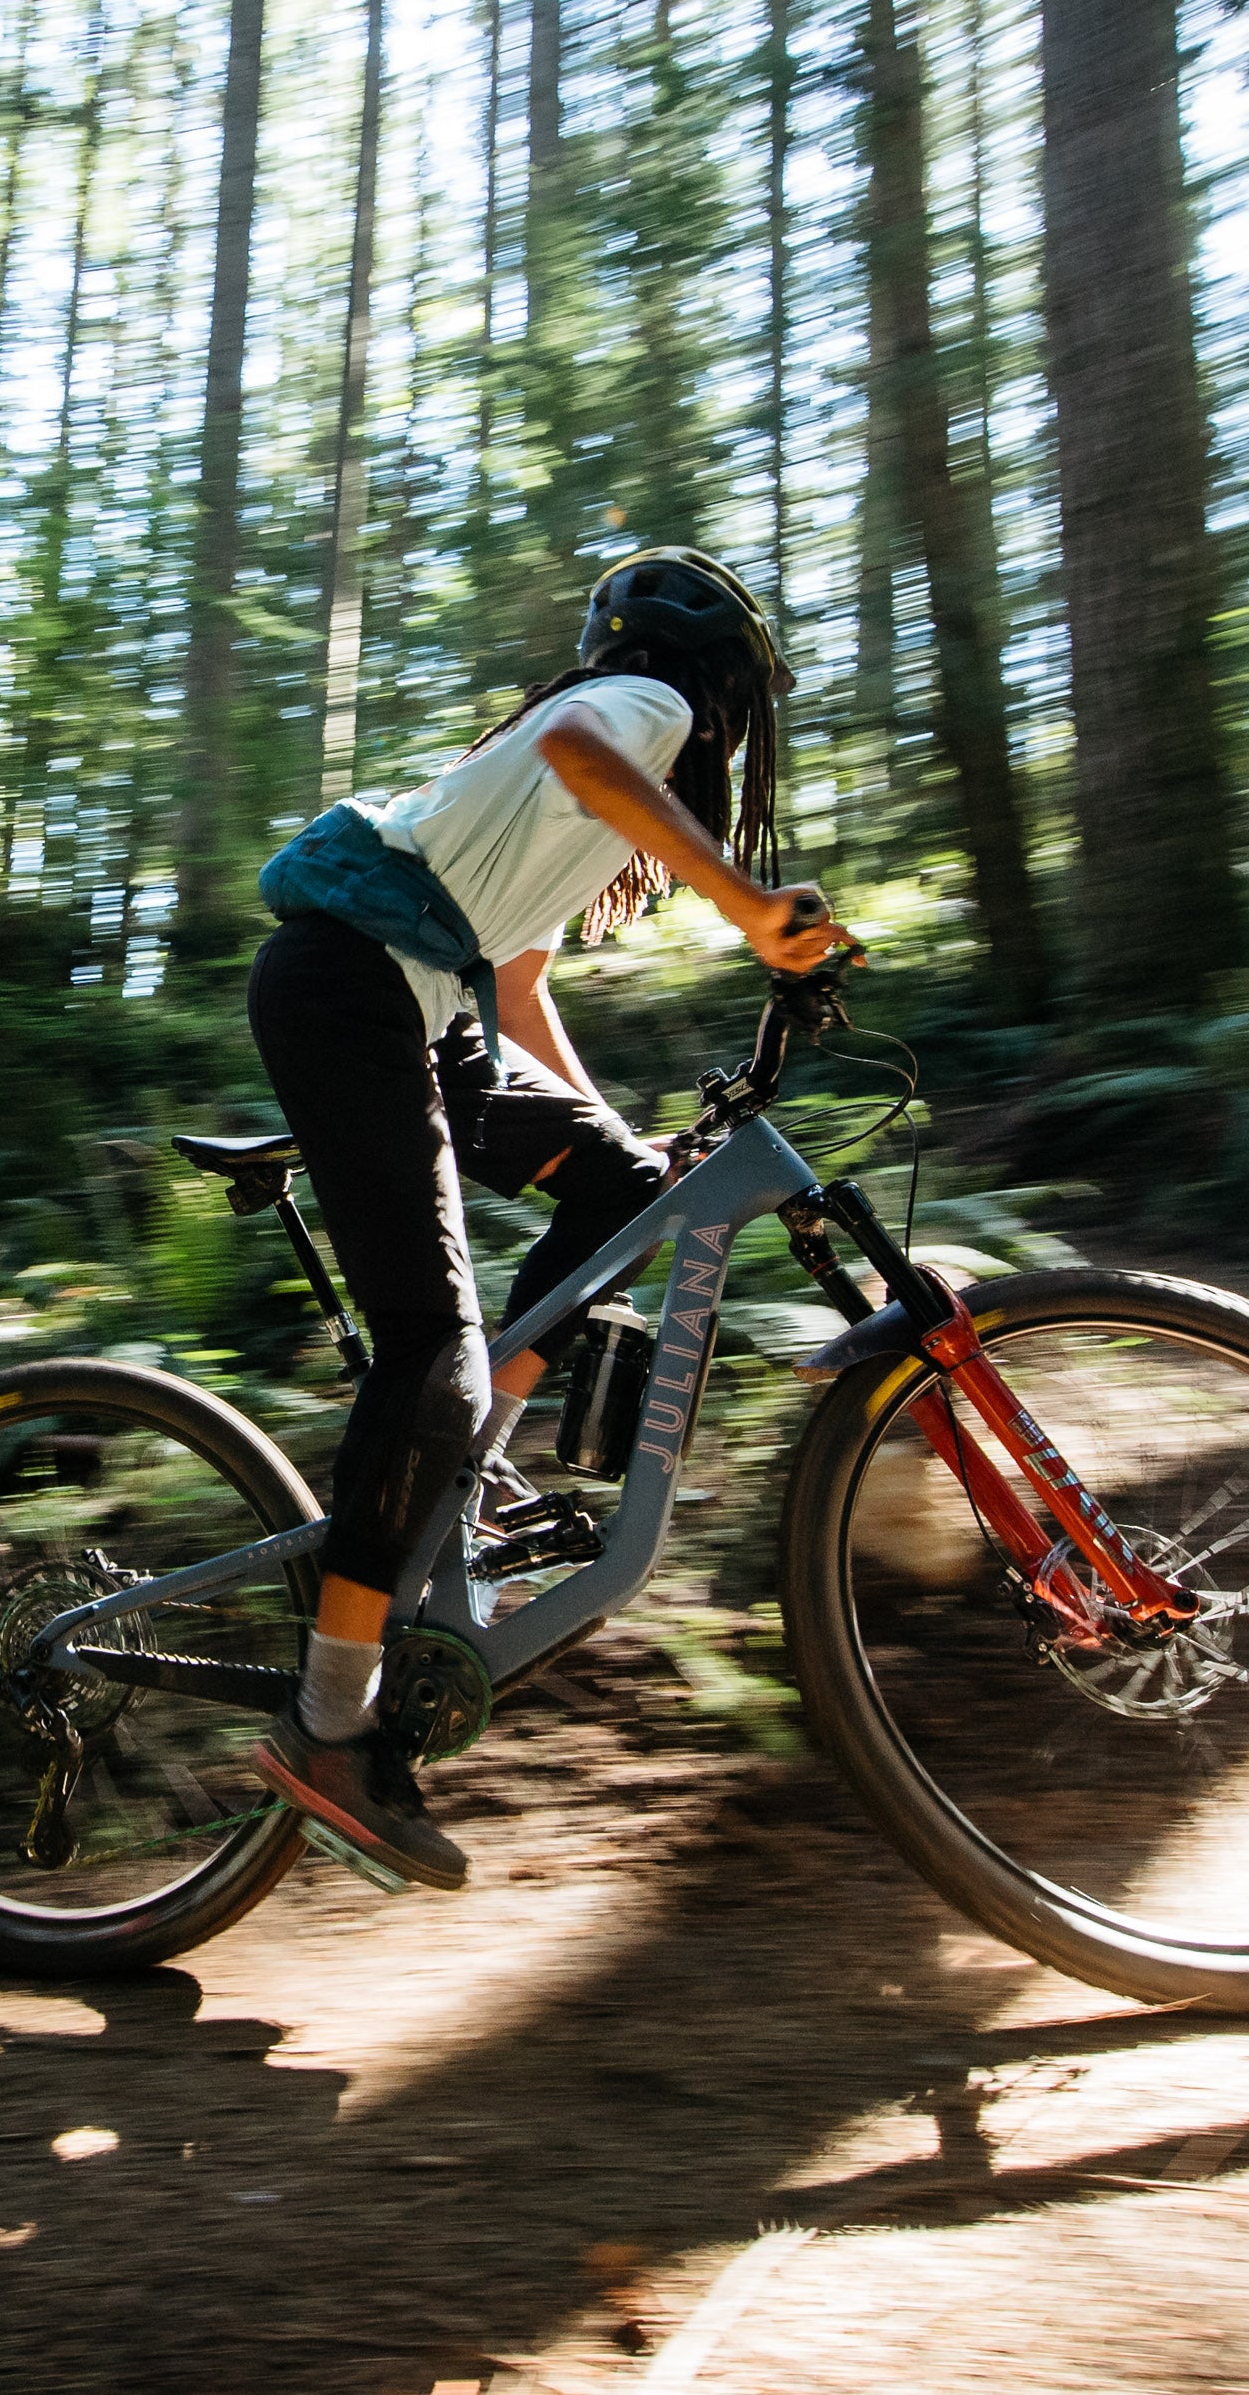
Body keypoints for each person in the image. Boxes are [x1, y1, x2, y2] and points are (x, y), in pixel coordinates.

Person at [240, 547, 854, 1886]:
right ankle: (329, 1726)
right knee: (429, 1353)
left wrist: (630, 1151)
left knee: (630, 1196)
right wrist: (754, 910)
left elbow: (515, 996)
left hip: (431, 1006)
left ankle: (465, 1457)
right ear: (728, 687)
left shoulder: (577, 795)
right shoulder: (640, 709)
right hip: (355, 992)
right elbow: (580, 737)